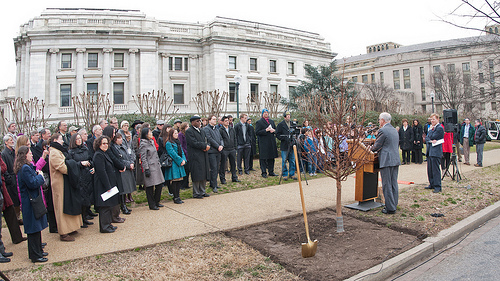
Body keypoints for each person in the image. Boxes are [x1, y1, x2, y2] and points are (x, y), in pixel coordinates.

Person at [15, 146, 48, 263]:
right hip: (30, 202)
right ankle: (35, 255)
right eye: (30, 153)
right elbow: (33, 183)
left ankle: (39, 250)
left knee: (36, 228)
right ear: (24, 155)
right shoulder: (24, 168)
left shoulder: (26, 167)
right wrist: (40, 176)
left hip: (32, 201)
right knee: (33, 229)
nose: (32, 155)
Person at [49, 133, 82, 241]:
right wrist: (73, 167)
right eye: (60, 139)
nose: (63, 141)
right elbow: (62, 167)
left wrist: (70, 164)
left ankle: (71, 227)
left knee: (68, 205)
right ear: (55, 140)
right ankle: (63, 232)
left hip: (66, 182)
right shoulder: (53, 152)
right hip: (60, 184)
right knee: (61, 207)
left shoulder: (59, 150)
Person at [371, 112, 401, 214]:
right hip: (395, 160)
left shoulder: (383, 130)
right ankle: (393, 204)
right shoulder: (394, 130)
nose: (379, 121)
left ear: (383, 120)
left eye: (379, 120)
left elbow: (376, 146)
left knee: (386, 184)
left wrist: (369, 149)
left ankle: (390, 208)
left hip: (386, 160)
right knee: (393, 183)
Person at [92, 136, 119, 233]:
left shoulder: (104, 153)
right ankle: (104, 226)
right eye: (103, 143)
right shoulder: (98, 155)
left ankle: (108, 224)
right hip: (103, 185)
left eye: (107, 143)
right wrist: (107, 186)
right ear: (99, 144)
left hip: (109, 183)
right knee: (104, 206)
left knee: (109, 205)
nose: (106, 145)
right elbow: (101, 172)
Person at [68, 133, 94, 227]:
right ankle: (81, 219)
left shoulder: (85, 149)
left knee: (87, 195)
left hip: (87, 174)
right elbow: (71, 164)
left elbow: (91, 159)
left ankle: (86, 215)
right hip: (79, 176)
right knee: (81, 197)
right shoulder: (71, 152)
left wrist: (92, 167)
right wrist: (80, 163)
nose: (79, 140)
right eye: (77, 139)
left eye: (80, 138)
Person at [0, 155, 27, 245]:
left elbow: (4, 167)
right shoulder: (4, 153)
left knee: (10, 210)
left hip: (3, 186)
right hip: (3, 185)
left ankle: (17, 237)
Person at [102, 126, 127, 222]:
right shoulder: (108, 146)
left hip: (116, 171)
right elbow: (113, 158)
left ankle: (116, 215)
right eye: (113, 133)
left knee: (117, 193)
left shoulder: (111, 144)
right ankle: (114, 216)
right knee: (114, 194)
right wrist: (121, 166)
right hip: (113, 172)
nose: (114, 135)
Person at [139, 127, 164, 210]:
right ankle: (151, 204)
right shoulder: (143, 144)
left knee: (159, 185)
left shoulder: (152, 141)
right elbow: (143, 158)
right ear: (146, 134)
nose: (151, 133)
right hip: (150, 167)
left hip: (156, 166)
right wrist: (146, 168)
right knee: (150, 186)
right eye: (150, 132)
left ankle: (157, 201)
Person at [185, 115, 210, 199]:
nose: (199, 122)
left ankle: (202, 191)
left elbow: (206, 140)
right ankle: (196, 193)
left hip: (203, 154)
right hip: (195, 155)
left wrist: (207, 146)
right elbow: (193, 143)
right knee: (197, 174)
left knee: (203, 173)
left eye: (200, 121)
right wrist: (204, 146)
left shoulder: (202, 131)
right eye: (197, 121)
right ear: (192, 122)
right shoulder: (189, 131)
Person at [112, 133, 135, 214]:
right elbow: (119, 159)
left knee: (127, 188)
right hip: (122, 170)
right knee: (123, 190)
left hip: (128, 169)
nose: (121, 139)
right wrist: (128, 164)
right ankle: (123, 206)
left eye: (121, 138)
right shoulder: (115, 148)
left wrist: (132, 162)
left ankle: (125, 205)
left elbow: (130, 155)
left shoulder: (124, 146)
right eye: (119, 138)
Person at [2, 135, 21, 225]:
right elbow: (4, 169)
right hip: (11, 181)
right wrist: (10, 180)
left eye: (12, 140)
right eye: (10, 140)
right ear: (6, 142)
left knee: (17, 199)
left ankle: (18, 217)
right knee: (13, 199)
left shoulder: (14, 152)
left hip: (16, 178)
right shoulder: (4, 154)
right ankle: (15, 219)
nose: (12, 141)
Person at [164, 129, 187, 204]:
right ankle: (175, 197)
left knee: (179, 181)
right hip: (174, 164)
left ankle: (178, 196)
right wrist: (180, 161)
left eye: (177, 133)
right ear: (171, 134)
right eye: (175, 133)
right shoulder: (168, 143)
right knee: (175, 181)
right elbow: (172, 153)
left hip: (180, 163)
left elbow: (182, 152)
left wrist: (184, 160)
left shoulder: (178, 142)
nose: (177, 134)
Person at [255, 109, 278, 178]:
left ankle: (271, 171)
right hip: (263, 143)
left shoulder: (271, 121)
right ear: (262, 114)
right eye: (264, 112)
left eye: (267, 112)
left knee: (271, 157)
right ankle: (264, 172)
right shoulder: (259, 122)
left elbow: (276, 130)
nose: (266, 114)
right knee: (263, 158)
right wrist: (265, 130)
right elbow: (257, 132)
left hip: (271, 142)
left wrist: (274, 130)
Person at [203, 115, 224, 193]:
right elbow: (209, 139)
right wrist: (217, 146)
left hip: (218, 151)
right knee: (213, 168)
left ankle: (214, 183)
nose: (215, 120)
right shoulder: (206, 129)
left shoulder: (216, 129)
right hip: (211, 151)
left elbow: (221, 138)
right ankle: (213, 185)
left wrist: (221, 145)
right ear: (209, 120)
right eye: (213, 119)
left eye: (215, 119)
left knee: (217, 168)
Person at [425, 113, 445, 193]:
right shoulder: (431, 128)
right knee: (430, 169)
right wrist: (430, 139)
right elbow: (427, 138)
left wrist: (430, 137)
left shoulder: (439, 128)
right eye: (431, 119)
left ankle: (437, 186)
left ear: (437, 119)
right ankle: (432, 183)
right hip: (430, 151)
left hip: (435, 151)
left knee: (435, 169)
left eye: (433, 119)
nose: (432, 121)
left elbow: (433, 136)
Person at [276, 111, 297, 180]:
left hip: (292, 145)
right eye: (287, 115)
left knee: (292, 160)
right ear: (284, 116)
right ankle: (285, 174)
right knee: (284, 160)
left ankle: (292, 174)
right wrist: (284, 138)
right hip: (284, 145)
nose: (288, 116)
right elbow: (277, 135)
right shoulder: (280, 124)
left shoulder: (292, 124)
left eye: (289, 115)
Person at [219, 116, 240, 184]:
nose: (227, 122)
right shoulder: (221, 130)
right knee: (223, 165)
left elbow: (234, 138)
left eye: (228, 120)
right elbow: (220, 139)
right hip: (225, 149)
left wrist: (235, 148)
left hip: (232, 149)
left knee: (233, 164)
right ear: (222, 122)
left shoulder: (231, 129)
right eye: (225, 121)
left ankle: (234, 177)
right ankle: (222, 179)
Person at [178, 122, 190, 190]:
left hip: (188, 154)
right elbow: (181, 145)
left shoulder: (187, 134)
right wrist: (185, 152)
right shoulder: (180, 134)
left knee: (187, 170)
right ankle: (182, 185)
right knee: (184, 170)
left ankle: (186, 183)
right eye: (187, 126)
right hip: (184, 154)